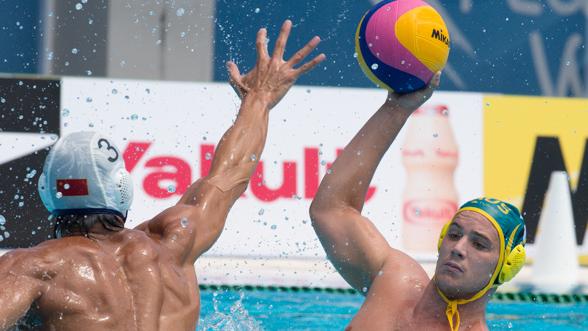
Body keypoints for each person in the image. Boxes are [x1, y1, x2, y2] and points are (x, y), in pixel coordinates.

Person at [0, 20, 325, 331]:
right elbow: (230, 174)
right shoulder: (173, 243)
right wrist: (259, 98)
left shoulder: (31, 268)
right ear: (123, 188)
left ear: (46, 194)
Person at [309, 73, 526, 331]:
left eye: (479, 244)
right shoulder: (394, 279)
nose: (458, 248)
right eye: (454, 234)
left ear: (505, 268)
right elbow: (331, 209)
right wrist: (396, 109)